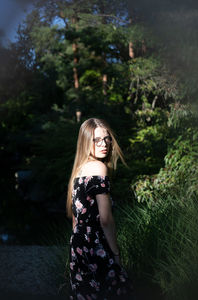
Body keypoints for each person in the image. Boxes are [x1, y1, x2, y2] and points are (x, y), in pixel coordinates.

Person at [67, 118, 134, 300]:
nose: (103, 144)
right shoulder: (98, 167)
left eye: (106, 139)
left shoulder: (79, 170)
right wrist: (115, 254)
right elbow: (105, 219)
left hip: (78, 245)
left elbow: (75, 219)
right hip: (96, 245)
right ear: (86, 142)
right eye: (96, 140)